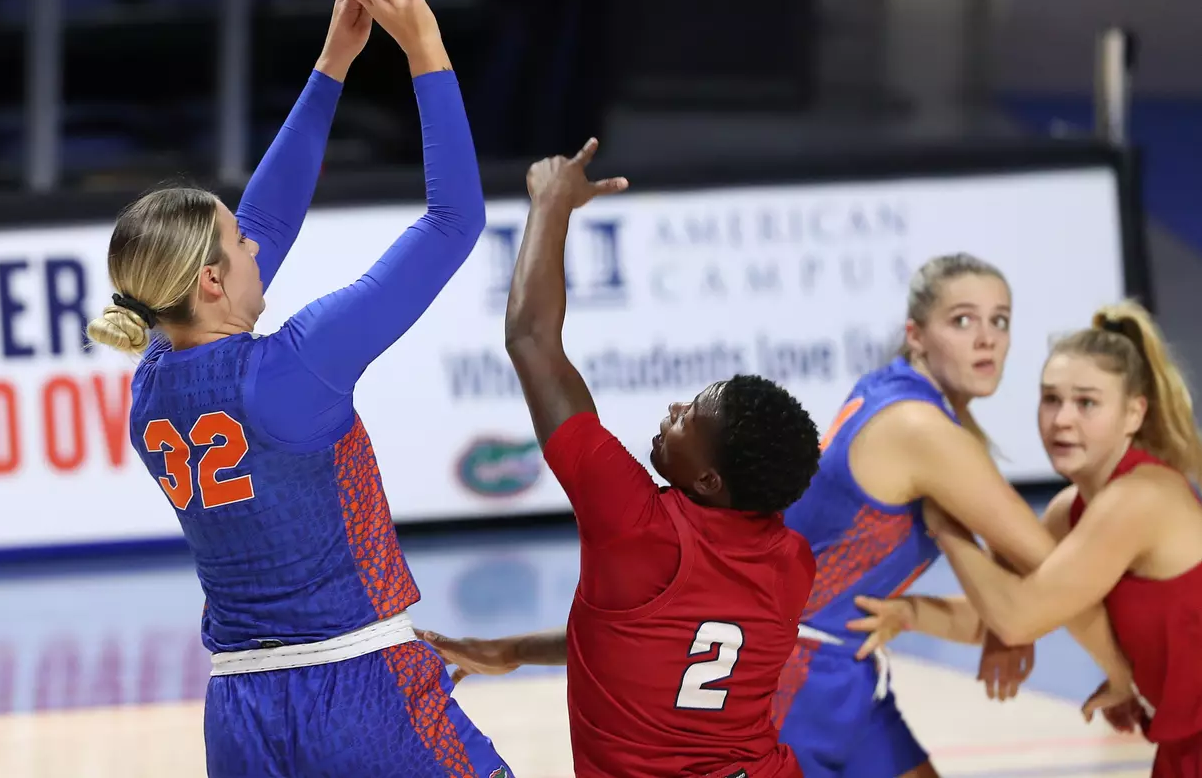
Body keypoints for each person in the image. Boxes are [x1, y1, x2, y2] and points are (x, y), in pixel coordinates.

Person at [425, 252, 1136, 778]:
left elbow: (1017, 587)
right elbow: (1054, 578)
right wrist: (1121, 672)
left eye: (999, 323)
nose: (985, 340)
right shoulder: (923, 432)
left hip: (831, 657)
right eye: (962, 321)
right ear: (915, 334)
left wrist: (987, 617)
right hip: (792, 672)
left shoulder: (888, 395)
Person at [87, 0, 512, 778]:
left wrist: (334, 61)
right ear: (212, 281)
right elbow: (454, 221)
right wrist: (422, 44)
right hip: (358, 693)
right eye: (237, 242)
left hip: (240, 713)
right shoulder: (294, 366)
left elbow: (268, 220)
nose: (255, 243)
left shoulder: (148, 388)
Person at [424, 139, 823, 778]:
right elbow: (653, 646)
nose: (672, 410)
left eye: (690, 416)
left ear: (709, 478)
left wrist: (551, 203)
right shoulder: (789, 563)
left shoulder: (636, 523)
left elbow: (531, 340)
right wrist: (514, 650)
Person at [849, 300, 1202, 776]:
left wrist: (944, 520)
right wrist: (910, 614)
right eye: (1051, 398)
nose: (1061, 420)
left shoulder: (1140, 498)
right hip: (1181, 745)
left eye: (1087, 402)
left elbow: (1017, 619)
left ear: (1134, 413)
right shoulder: (1069, 511)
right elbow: (1002, 613)